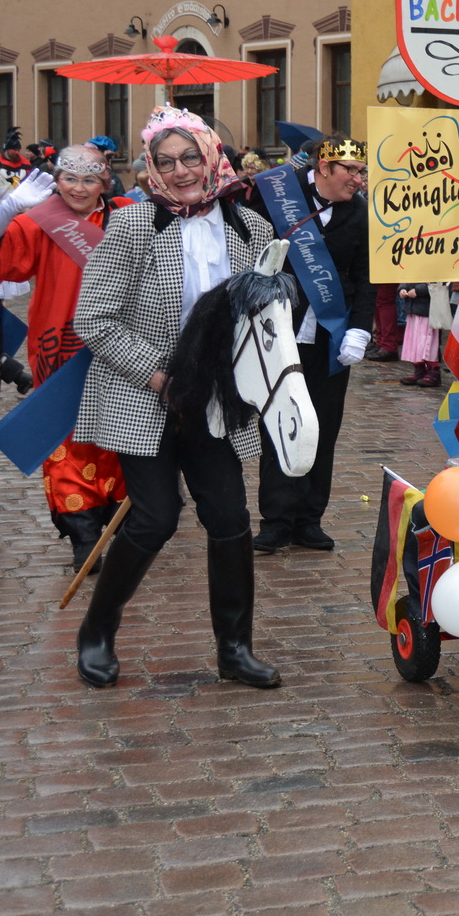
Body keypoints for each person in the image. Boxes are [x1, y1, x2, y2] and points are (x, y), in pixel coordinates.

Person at [71, 105, 283, 689]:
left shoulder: (252, 229)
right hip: (144, 392)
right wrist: (159, 376)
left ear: (212, 154)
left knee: (230, 519)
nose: (182, 170)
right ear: (150, 170)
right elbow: (94, 317)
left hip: (214, 397)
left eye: (191, 156)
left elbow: (260, 319)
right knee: (155, 517)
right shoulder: (134, 225)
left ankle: (235, 649)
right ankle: (97, 631)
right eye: (166, 162)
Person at [0, 145, 130, 567]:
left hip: (120, 344)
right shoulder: (40, 221)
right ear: (56, 180)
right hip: (60, 344)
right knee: (65, 439)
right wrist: (5, 213)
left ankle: (116, 519)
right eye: (69, 179)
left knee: (118, 433)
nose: (78, 189)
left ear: (105, 181)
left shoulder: (126, 215)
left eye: (88, 180)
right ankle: (83, 534)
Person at [252, 137, 374, 554]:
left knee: (323, 426)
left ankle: (309, 519)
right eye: (352, 171)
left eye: (362, 171)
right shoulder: (278, 200)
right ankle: (276, 519)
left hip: (329, 338)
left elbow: (365, 278)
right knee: (280, 424)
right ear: (324, 168)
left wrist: (360, 329)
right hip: (278, 334)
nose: (359, 179)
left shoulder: (359, 213)